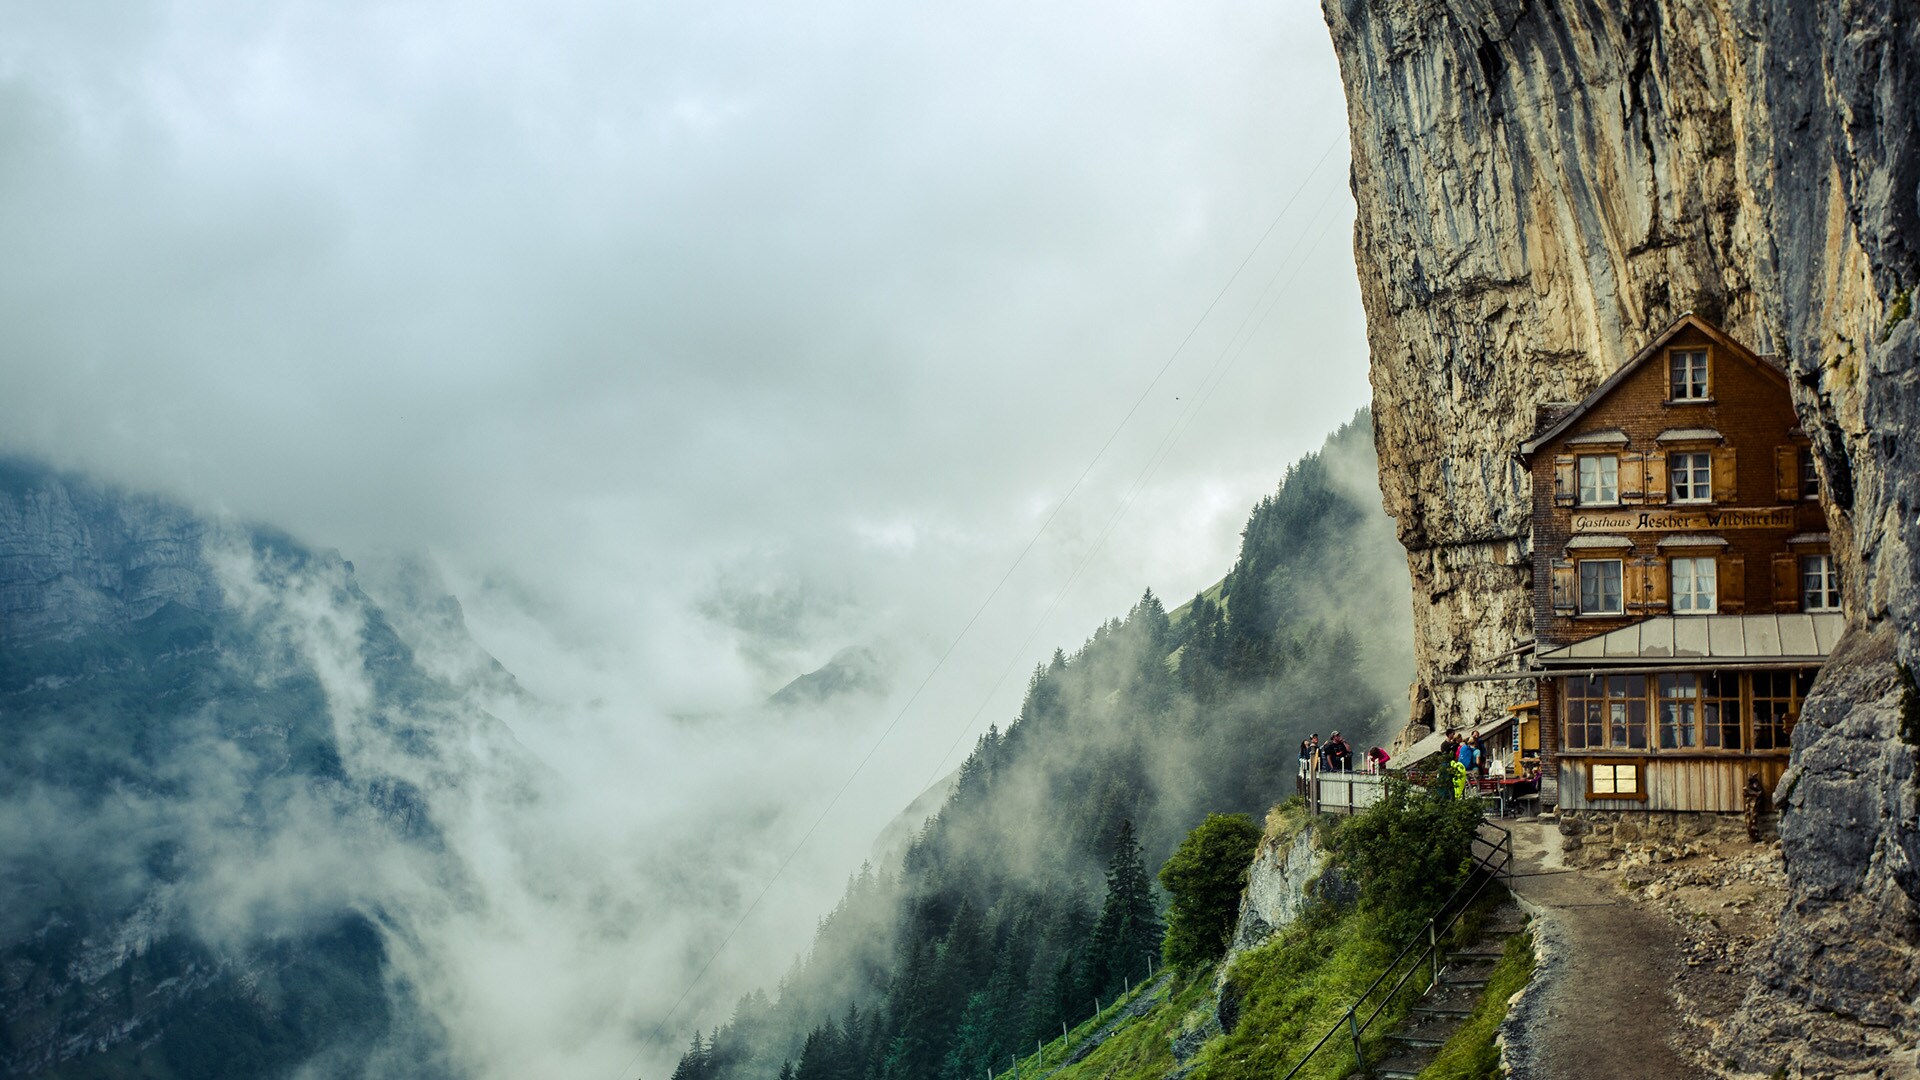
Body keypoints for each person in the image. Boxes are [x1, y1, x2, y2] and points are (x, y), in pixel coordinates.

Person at [1744, 773, 1769, 841]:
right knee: (1749, 819)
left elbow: (1759, 793)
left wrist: (1754, 794)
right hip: (1749, 804)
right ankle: (1751, 835)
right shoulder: (1748, 786)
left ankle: (1754, 835)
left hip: (1754, 805)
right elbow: (1745, 792)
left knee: (1753, 818)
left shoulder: (1756, 785)